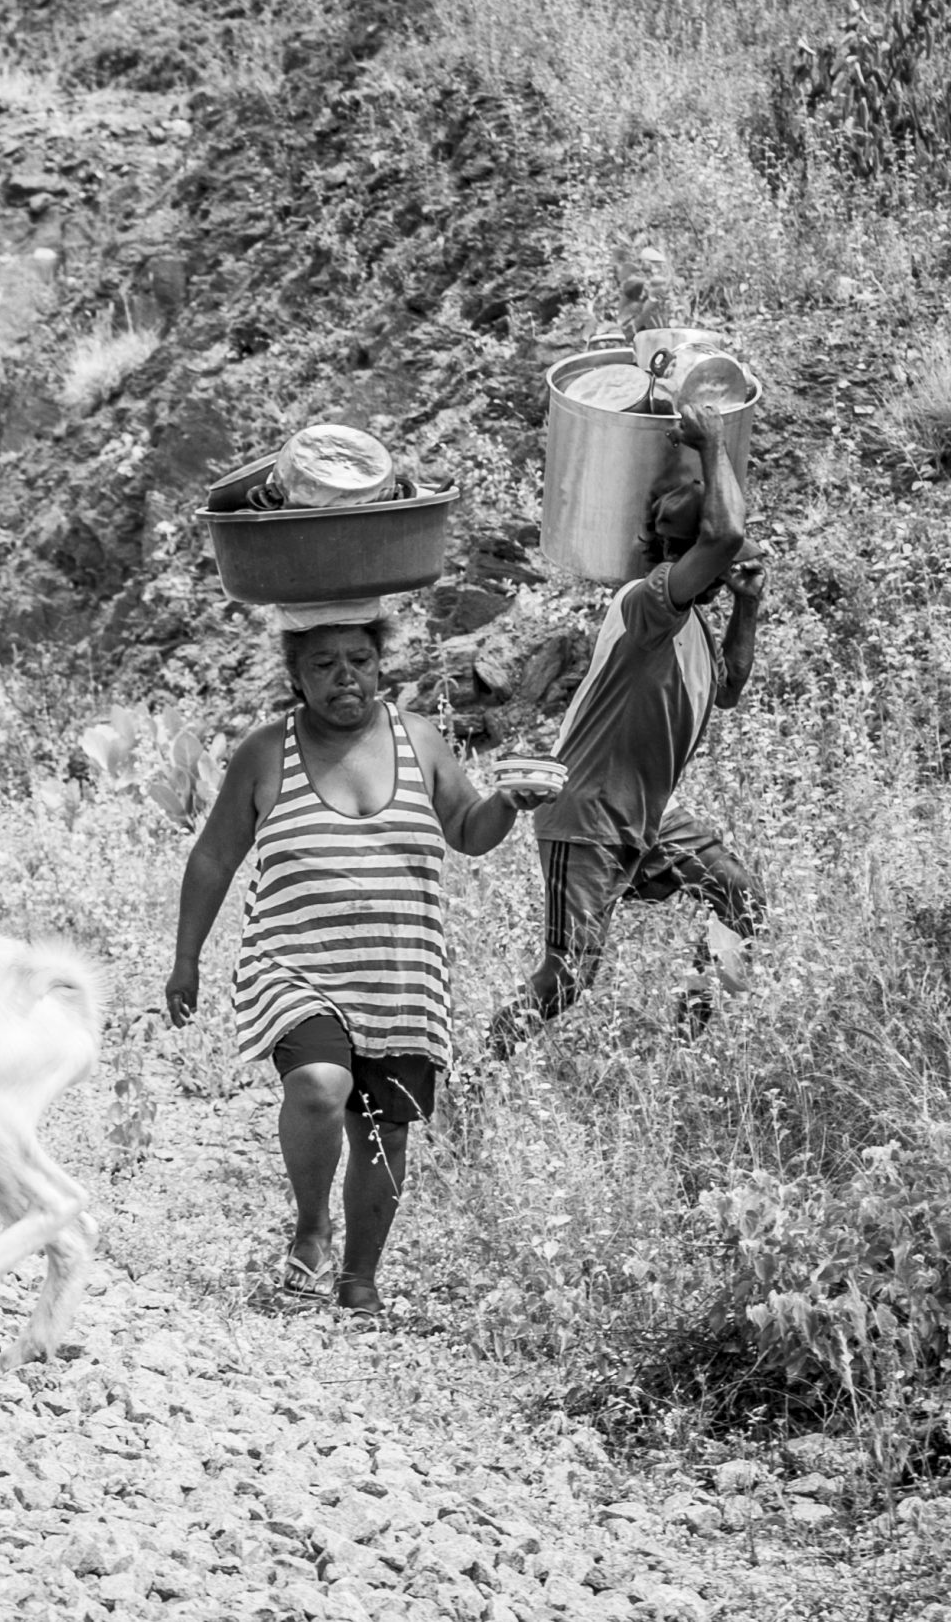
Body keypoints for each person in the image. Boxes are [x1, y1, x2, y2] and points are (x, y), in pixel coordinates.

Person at [167, 607, 553, 1314]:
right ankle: (312, 1229)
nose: (345, 677)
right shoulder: (266, 752)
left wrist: (507, 801)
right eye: (324, 664)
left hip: (400, 973)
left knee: (384, 1128)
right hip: (295, 964)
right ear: (296, 676)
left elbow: (469, 831)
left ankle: (359, 1280)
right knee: (319, 1086)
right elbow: (215, 856)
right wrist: (185, 961)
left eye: (360, 661)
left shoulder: (420, 739)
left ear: (380, 666)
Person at [486, 396, 768, 1058]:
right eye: (717, 559)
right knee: (568, 977)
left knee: (742, 898)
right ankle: (478, 1072)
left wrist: (747, 607)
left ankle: (689, 1034)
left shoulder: (692, 624)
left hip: (644, 817)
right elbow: (724, 536)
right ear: (681, 555)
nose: (729, 567)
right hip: (586, 814)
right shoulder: (646, 604)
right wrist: (711, 444)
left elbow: (728, 688)